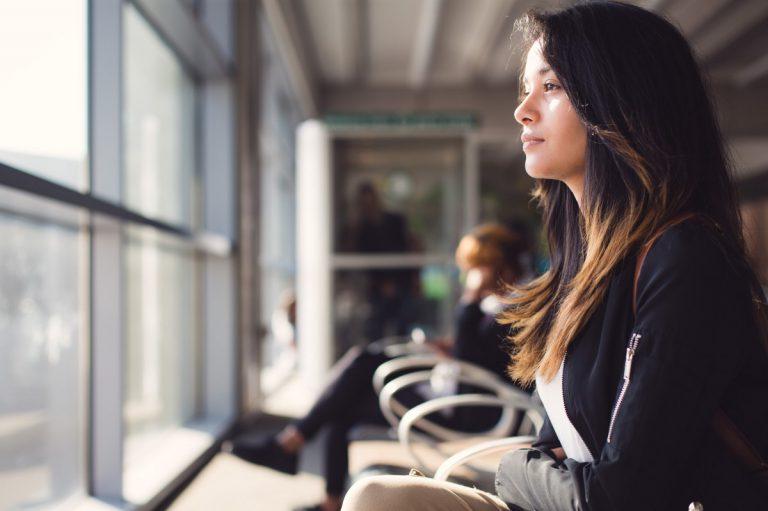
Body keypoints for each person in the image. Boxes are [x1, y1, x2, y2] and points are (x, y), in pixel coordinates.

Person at [341, 2, 768, 510]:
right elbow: (557, 443)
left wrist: (512, 468)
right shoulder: (583, 269)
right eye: (526, 89)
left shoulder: (683, 261)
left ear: (621, 102)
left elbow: (616, 499)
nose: (523, 109)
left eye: (551, 87)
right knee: (379, 496)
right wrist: (537, 466)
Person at [225, 223, 531, 511]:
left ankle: (290, 445)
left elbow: (475, 363)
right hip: (453, 395)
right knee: (346, 397)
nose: (469, 275)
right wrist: (447, 346)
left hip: (465, 410)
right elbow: (480, 356)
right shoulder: (499, 308)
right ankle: (315, 480)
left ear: (497, 267)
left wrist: (468, 302)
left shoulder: (509, 310)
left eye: (475, 267)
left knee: (361, 367)